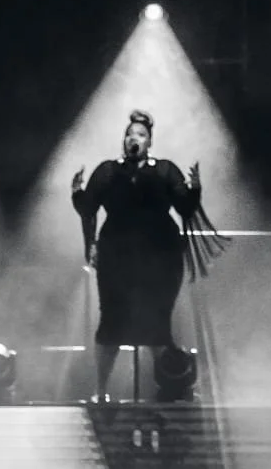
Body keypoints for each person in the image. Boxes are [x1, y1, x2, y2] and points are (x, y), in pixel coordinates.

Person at [71, 109, 222, 400]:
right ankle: (101, 391)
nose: (133, 139)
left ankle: (166, 389)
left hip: (160, 255)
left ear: (149, 141)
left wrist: (194, 189)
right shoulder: (108, 171)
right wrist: (77, 192)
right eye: (129, 134)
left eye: (140, 135)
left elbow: (184, 208)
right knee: (111, 319)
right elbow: (88, 207)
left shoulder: (165, 170)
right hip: (117, 255)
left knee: (156, 320)